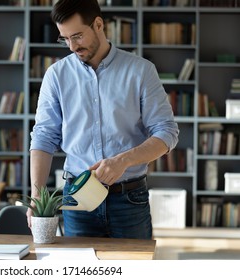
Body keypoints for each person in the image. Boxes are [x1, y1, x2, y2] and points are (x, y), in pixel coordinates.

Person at [27, 0, 179, 239]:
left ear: (98, 24)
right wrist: (37, 195)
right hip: (77, 199)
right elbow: (44, 137)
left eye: (77, 36)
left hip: (129, 198)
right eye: (64, 38)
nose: (71, 46)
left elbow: (166, 132)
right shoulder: (56, 76)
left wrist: (123, 161)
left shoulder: (141, 71)